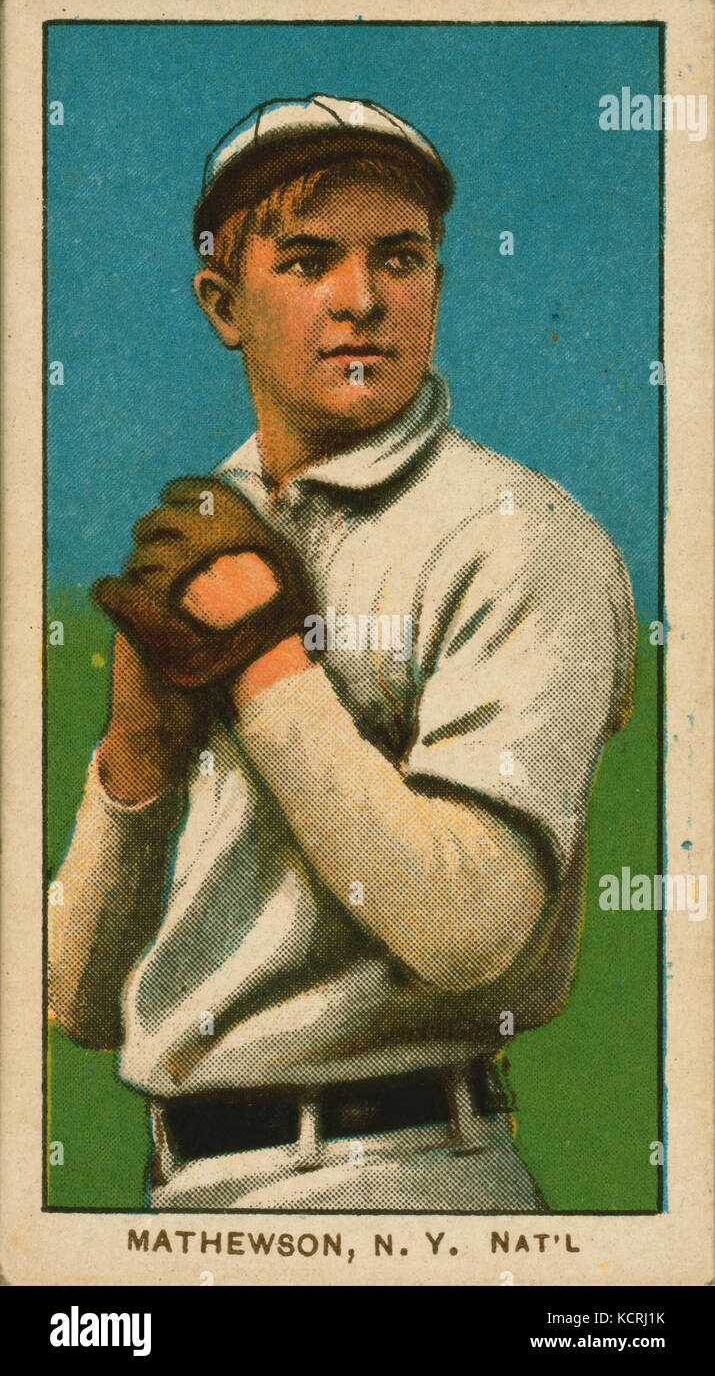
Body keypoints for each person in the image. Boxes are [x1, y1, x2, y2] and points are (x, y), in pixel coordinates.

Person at [48, 95, 635, 1212]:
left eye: (399, 259)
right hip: (180, 1191)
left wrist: (264, 663)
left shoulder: (517, 536)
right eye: (309, 260)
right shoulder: (205, 526)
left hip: (400, 1175)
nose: (361, 300)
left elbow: (468, 929)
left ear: (436, 284)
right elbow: (74, 1005)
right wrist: (135, 763)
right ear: (224, 303)